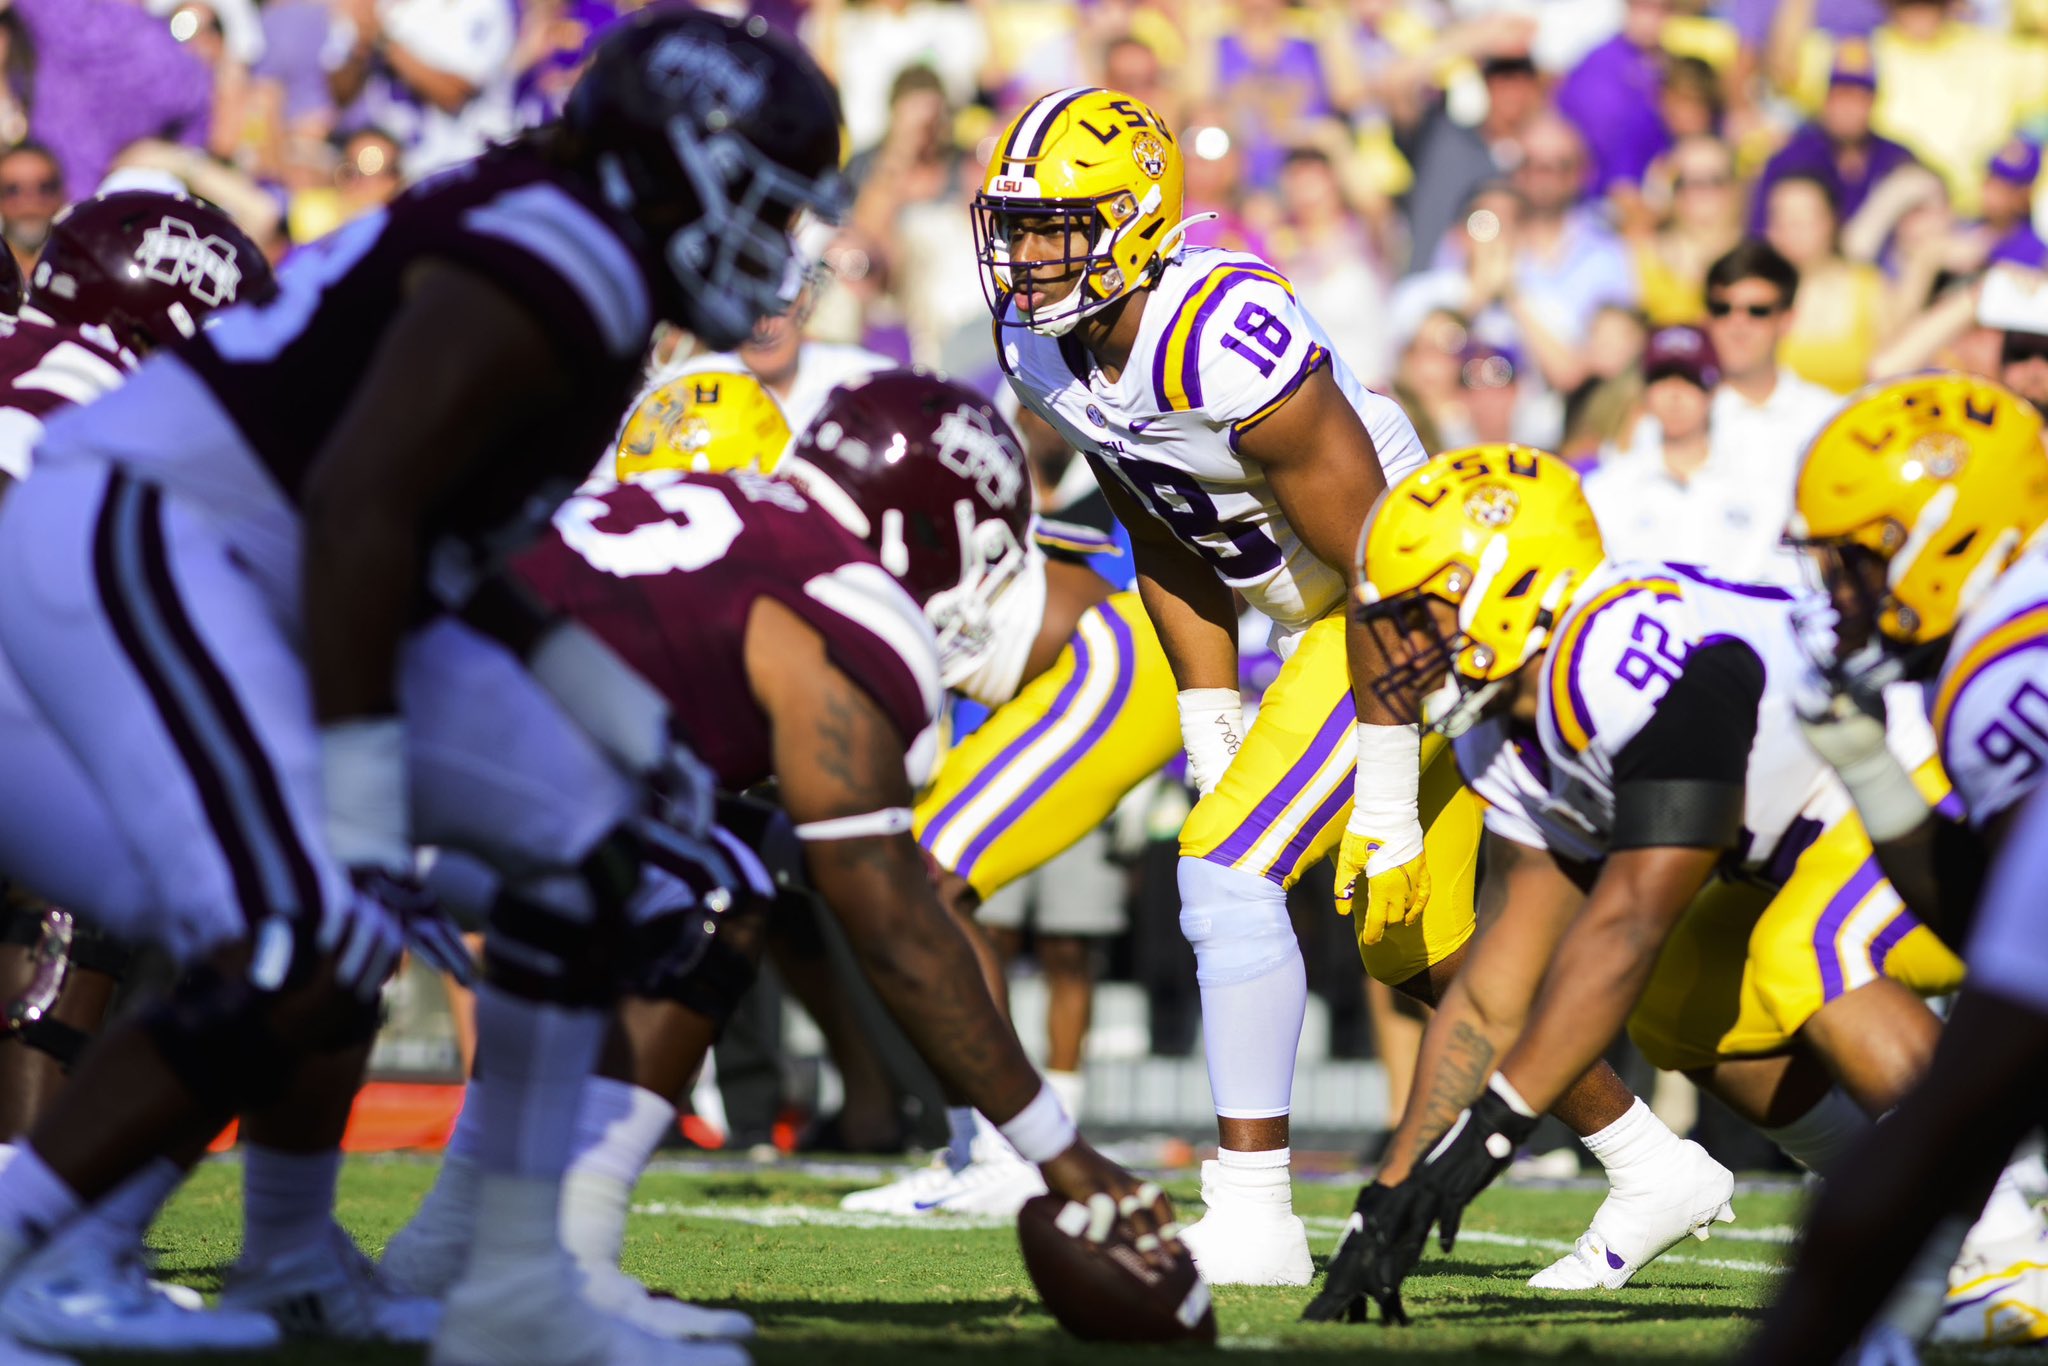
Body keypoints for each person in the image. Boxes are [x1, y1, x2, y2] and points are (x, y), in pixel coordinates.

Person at [0, 13, 843, 1364]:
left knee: (632, 856)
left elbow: (437, 544)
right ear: (668, 168)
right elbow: (360, 506)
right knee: (304, 922)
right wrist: (359, 782)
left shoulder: (590, 273)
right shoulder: (549, 258)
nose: (778, 246)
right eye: (759, 197)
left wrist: (607, 710)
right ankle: (30, 1248)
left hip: (262, 556)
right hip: (164, 542)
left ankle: (494, 1275)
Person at [972, 84, 1699, 1290]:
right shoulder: (1042, 348)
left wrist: (1381, 783)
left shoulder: (1218, 330)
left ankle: (1251, 1209)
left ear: (1140, 219)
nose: (1032, 257)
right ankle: (1645, 1157)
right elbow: (1161, 523)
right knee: (1413, 941)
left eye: (1061, 226)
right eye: (1020, 227)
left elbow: (1378, 565)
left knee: (1223, 869)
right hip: (1313, 617)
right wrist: (1209, 723)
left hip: (1422, 607)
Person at [381, 370, 1184, 1339]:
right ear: (929, 532)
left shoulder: (717, 500)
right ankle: (564, 1267)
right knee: (706, 882)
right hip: (400, 783)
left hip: (362, 722)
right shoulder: (848, 598)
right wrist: (1061, 1152)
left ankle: (446, 1248)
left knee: (688, 855)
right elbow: (890, 919)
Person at [1308, 446, 2042, 1325]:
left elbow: (1627, 925)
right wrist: (1394, 1188)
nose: (1404, 645)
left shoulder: (1616, 661)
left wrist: (1495, 1133)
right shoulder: (1500, 730)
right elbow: (1499, 984)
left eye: (1419, 612)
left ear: (1504, 587)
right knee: (1682, 1008)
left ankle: (2004, 1248)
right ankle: (1904, 1215)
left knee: (1801, 952)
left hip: (1920, 795)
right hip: (1811, 833)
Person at [1755, 372, 2048, 1354]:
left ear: (1943, 540)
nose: (1840, 595)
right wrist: (1873, 773)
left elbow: (2010, 992)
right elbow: (1996, 921)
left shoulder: (2005, 669)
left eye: (1857, 562)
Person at [1748, 40, 1917, 237]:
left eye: (1858, 98)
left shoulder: (1896, 157)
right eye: (1841, 97)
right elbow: (1760, 231)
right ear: (1826, 101)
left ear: (1873, 103)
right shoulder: (1791, 158)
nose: (1848, 109)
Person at [0, 144, 62, 287]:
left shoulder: (82, 272)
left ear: (62, 194)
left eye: (45, 188)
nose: (30, 201)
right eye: (13, 190)